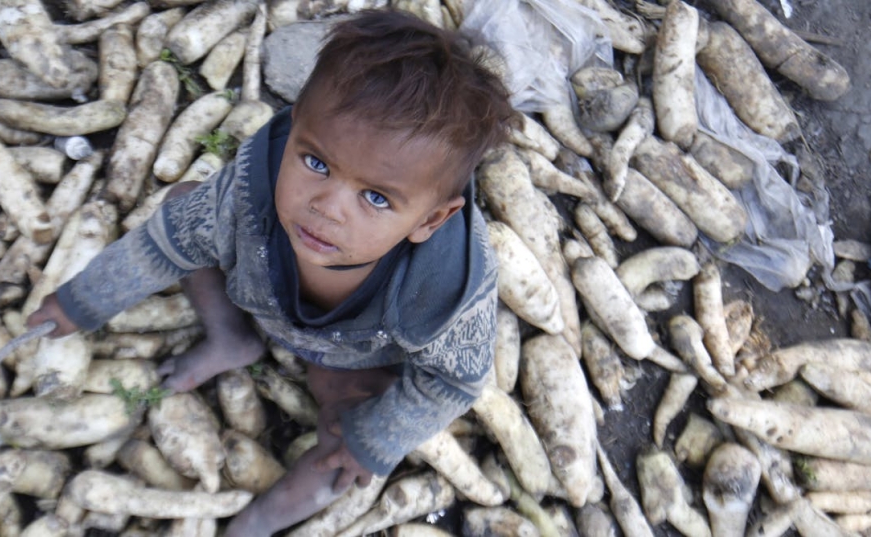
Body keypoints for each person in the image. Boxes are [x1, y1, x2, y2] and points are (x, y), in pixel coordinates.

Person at [27, 8, 514, 535]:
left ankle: (258, 522)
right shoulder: (246, 195)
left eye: (375, 197)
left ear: (430, 220)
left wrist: (377, 440)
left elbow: (451, 381)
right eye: (316, 163)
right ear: (295, 123)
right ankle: (230, 337)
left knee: (347, 446)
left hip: (355, 357)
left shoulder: (445, 292)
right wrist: (83, 301)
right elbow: (158, 247)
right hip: (260, 296)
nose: (326, 207)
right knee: (185, 208)